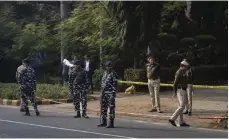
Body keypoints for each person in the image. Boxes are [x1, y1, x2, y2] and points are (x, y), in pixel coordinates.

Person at [97, 61, 118, 128]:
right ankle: (104, 122)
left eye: (110, 66)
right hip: (104, 93)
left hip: (110, 93)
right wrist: (101, 93)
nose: (108, 67)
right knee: (103, 108)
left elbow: (115, 85)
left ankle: (111, 123)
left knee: (111, 108)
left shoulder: (113, 74)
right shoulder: (105, 73)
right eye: (107, 66)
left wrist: (113, 94)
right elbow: (102, 83)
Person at [169, 60, 190, 127]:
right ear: (183, 66)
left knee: (180, 106)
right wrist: (174, 91)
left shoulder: (184, 72)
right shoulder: (179, 72)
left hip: (183, 90)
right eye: (186, 67)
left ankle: (181, 122)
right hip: (180, 90)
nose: (187, 68)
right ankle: (172, 118)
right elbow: (175, 83)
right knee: (182, 106)